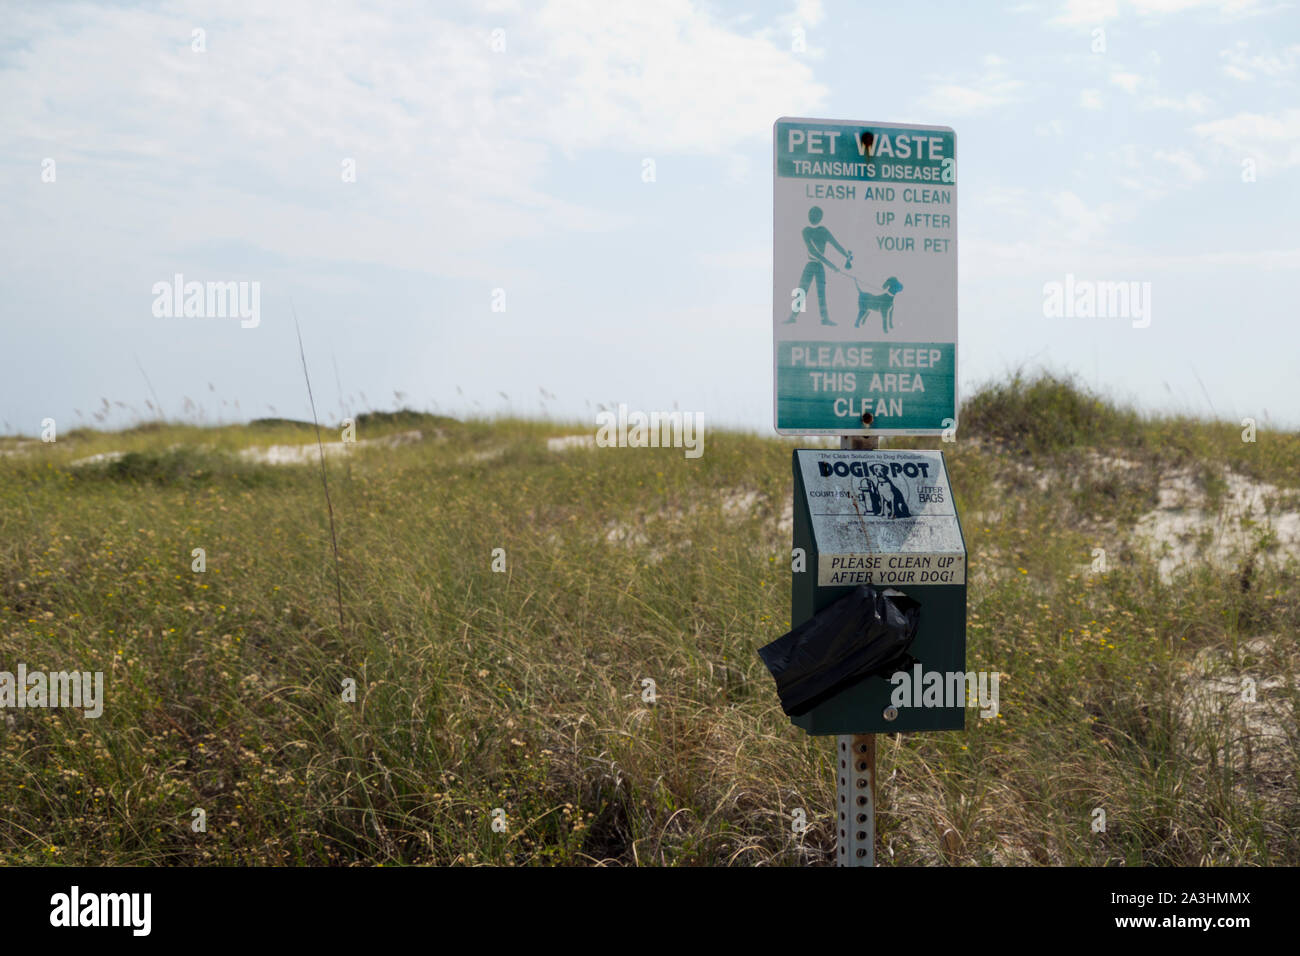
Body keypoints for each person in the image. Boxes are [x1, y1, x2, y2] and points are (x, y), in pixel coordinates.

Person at [785, 206, 851, 326]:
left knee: (821, 293)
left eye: (816, 215)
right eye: (811, 214)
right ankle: (793, 316)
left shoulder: (823, 231)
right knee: (802, 290)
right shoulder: (806, 231)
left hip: (819, 266)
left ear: (820, 217)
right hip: (811, 265)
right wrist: (831, 265)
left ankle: (824, 319)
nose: (813, 217)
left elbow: (836, 244)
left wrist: (846, 255)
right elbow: (813, 252)